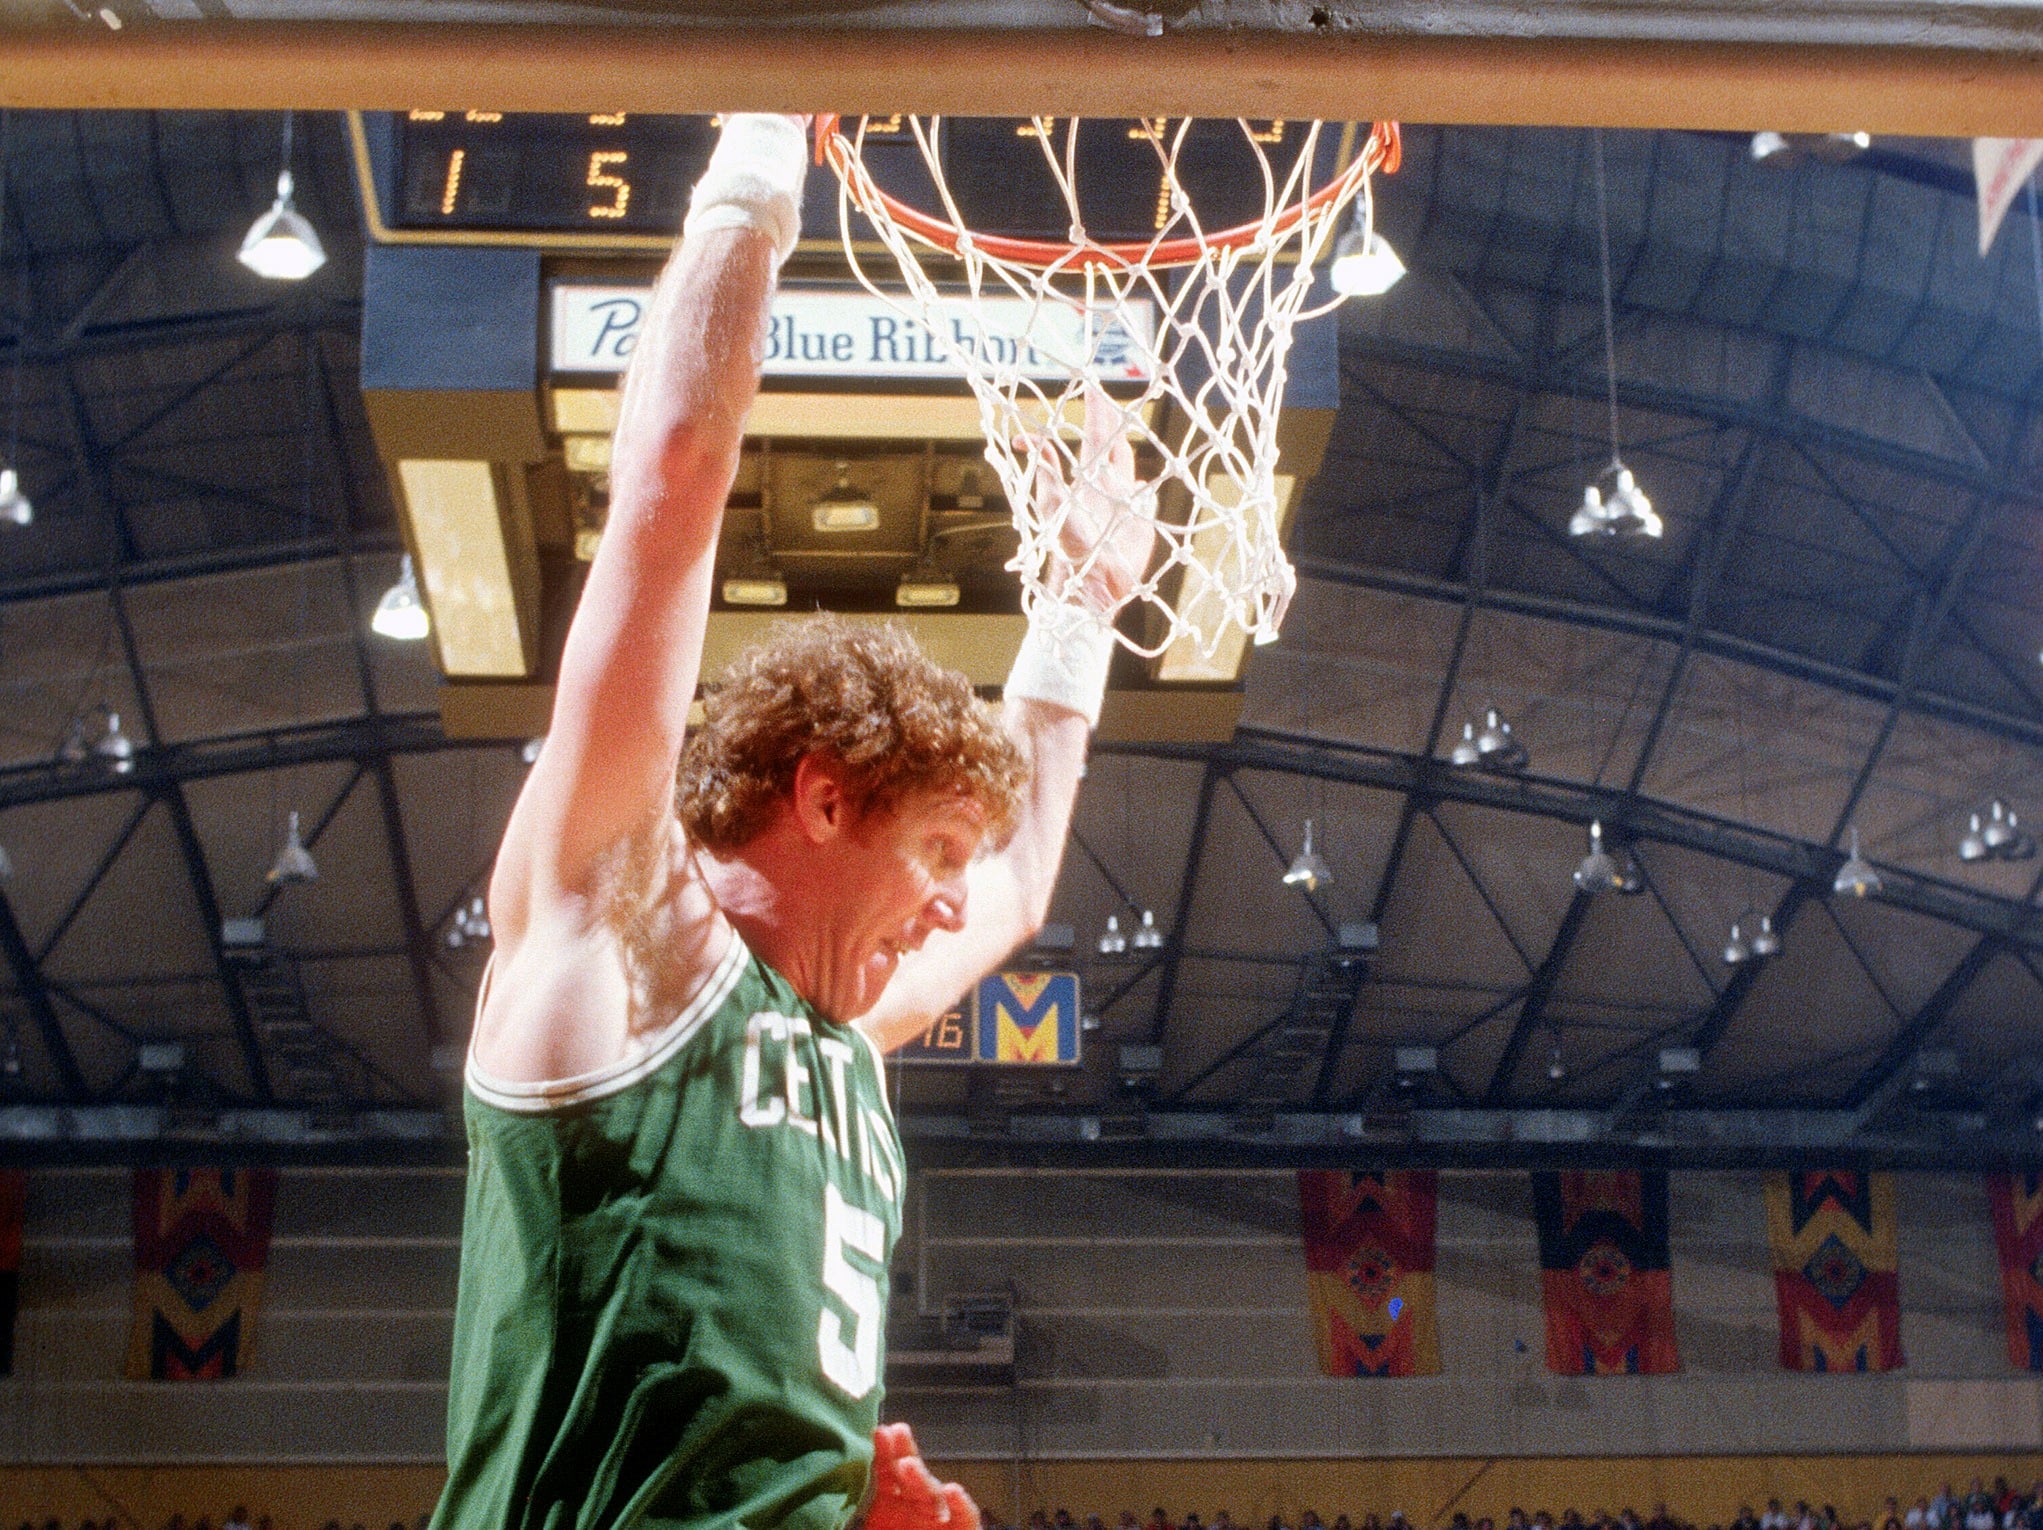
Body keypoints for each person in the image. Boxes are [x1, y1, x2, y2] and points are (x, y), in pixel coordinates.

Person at [430, 112, 1155, 1530]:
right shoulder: (621, 932)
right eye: (931, 850)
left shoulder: (845, 1038)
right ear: (823, 796)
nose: (955, 901)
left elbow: (1013, 890)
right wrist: (764, 142)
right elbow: (673, 483)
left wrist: (1078, 611)